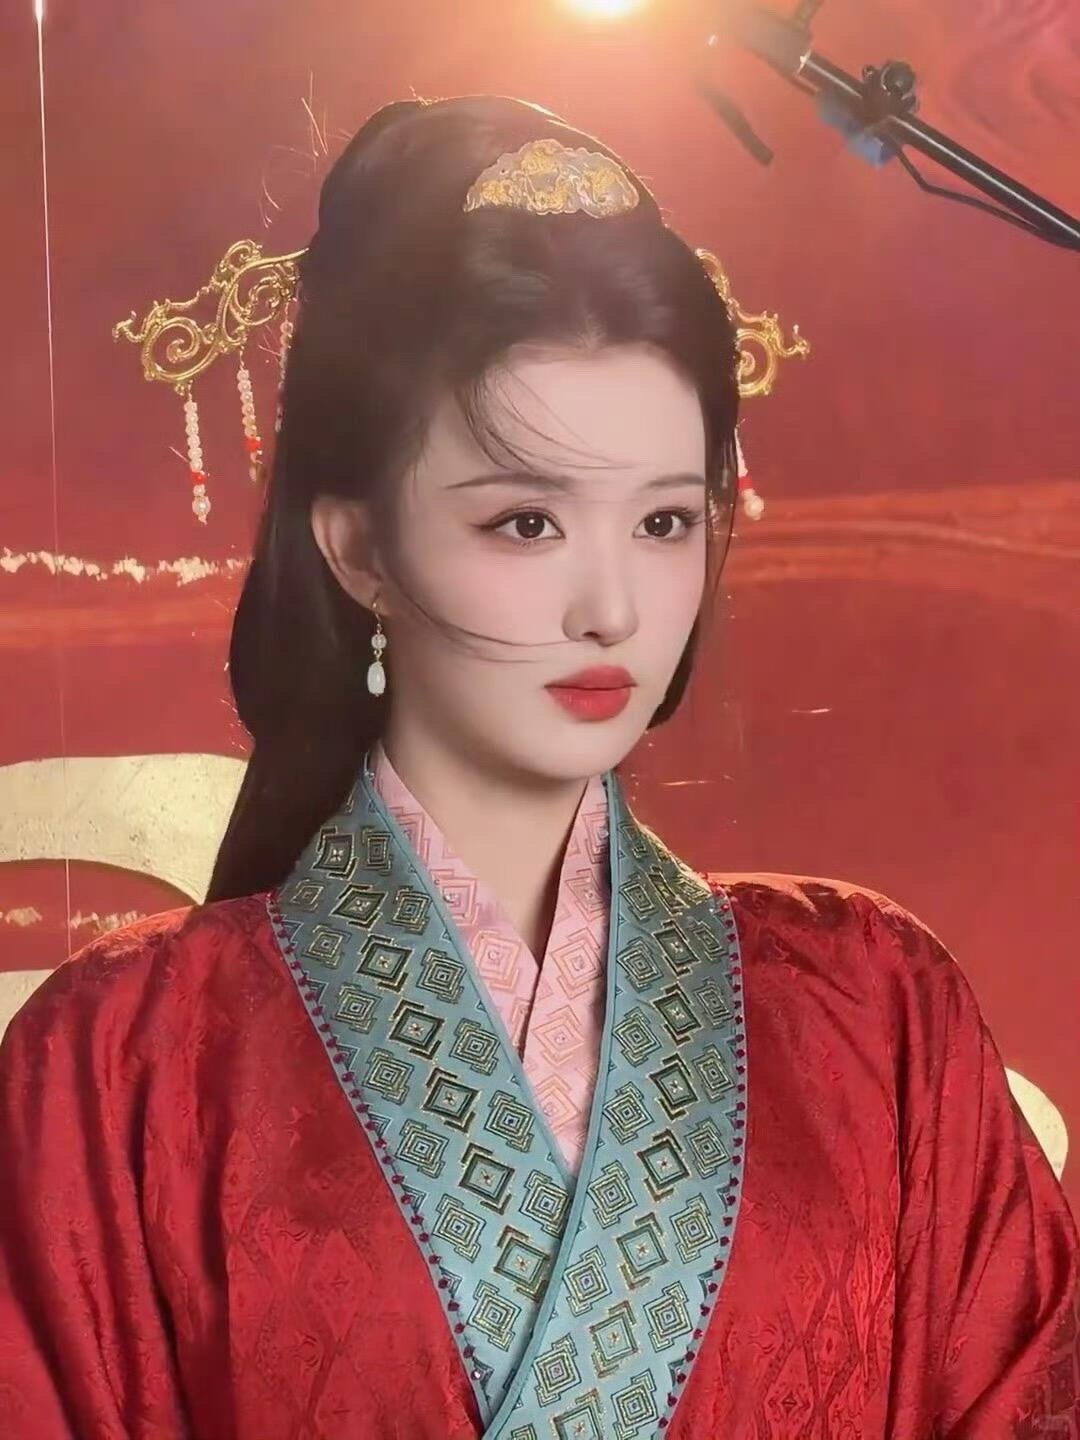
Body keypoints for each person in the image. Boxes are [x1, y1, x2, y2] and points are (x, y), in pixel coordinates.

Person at [0, 95, 1076, 1440]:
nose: (613, 608)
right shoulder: (121, 1059)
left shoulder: (875, 1006)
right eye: (525, 522)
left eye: (665, 521)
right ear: (357, 548)